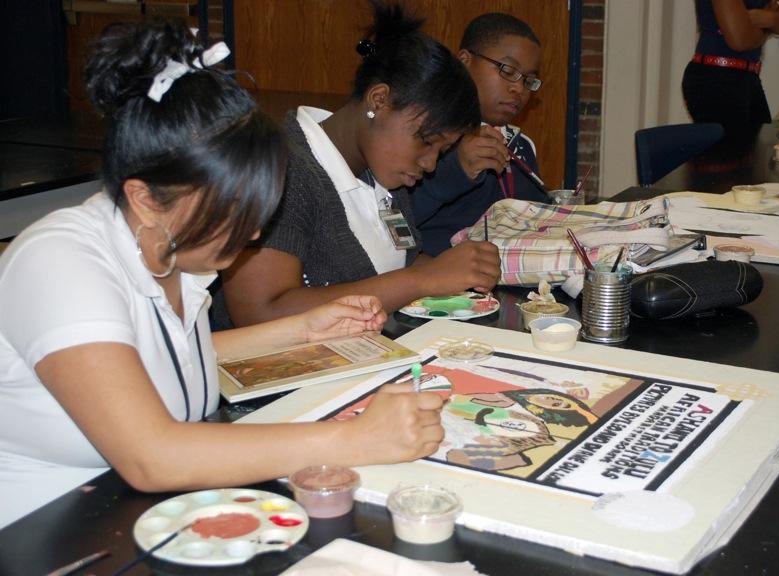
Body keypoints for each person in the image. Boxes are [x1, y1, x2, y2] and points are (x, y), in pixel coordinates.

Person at [0, 19, 444, 529]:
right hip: (40, 533)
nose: (253, 234)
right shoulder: (59, 264)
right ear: (145, 197)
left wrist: (300, 331)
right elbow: (152, 456)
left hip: (130, 518)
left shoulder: (168, 250)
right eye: (236, 213)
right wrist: (357, 439)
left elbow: (162, 359)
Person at [212, 2, 501, 328]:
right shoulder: (285, 171)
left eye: (442, 150)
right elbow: (259, 313)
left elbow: (400, 261)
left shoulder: (384, 173)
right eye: (426, 140)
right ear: (379, 100)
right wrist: (422, 280)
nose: (431, 163)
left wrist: (457, 270)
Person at [412, 13, 546, 257]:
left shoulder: (522, 146)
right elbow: (391, 220)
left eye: (529, 80)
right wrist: (457, 168)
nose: (518, 88)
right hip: (435, 280)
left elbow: (534, 221)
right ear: (464, 61)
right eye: (507, 70)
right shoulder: (426, 135)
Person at [682, 0, 779, 142]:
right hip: (715, 79)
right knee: (731, 157)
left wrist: (770, 18)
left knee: (758, 152)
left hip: (746, 78)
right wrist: (770, 26)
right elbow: (740, 40)